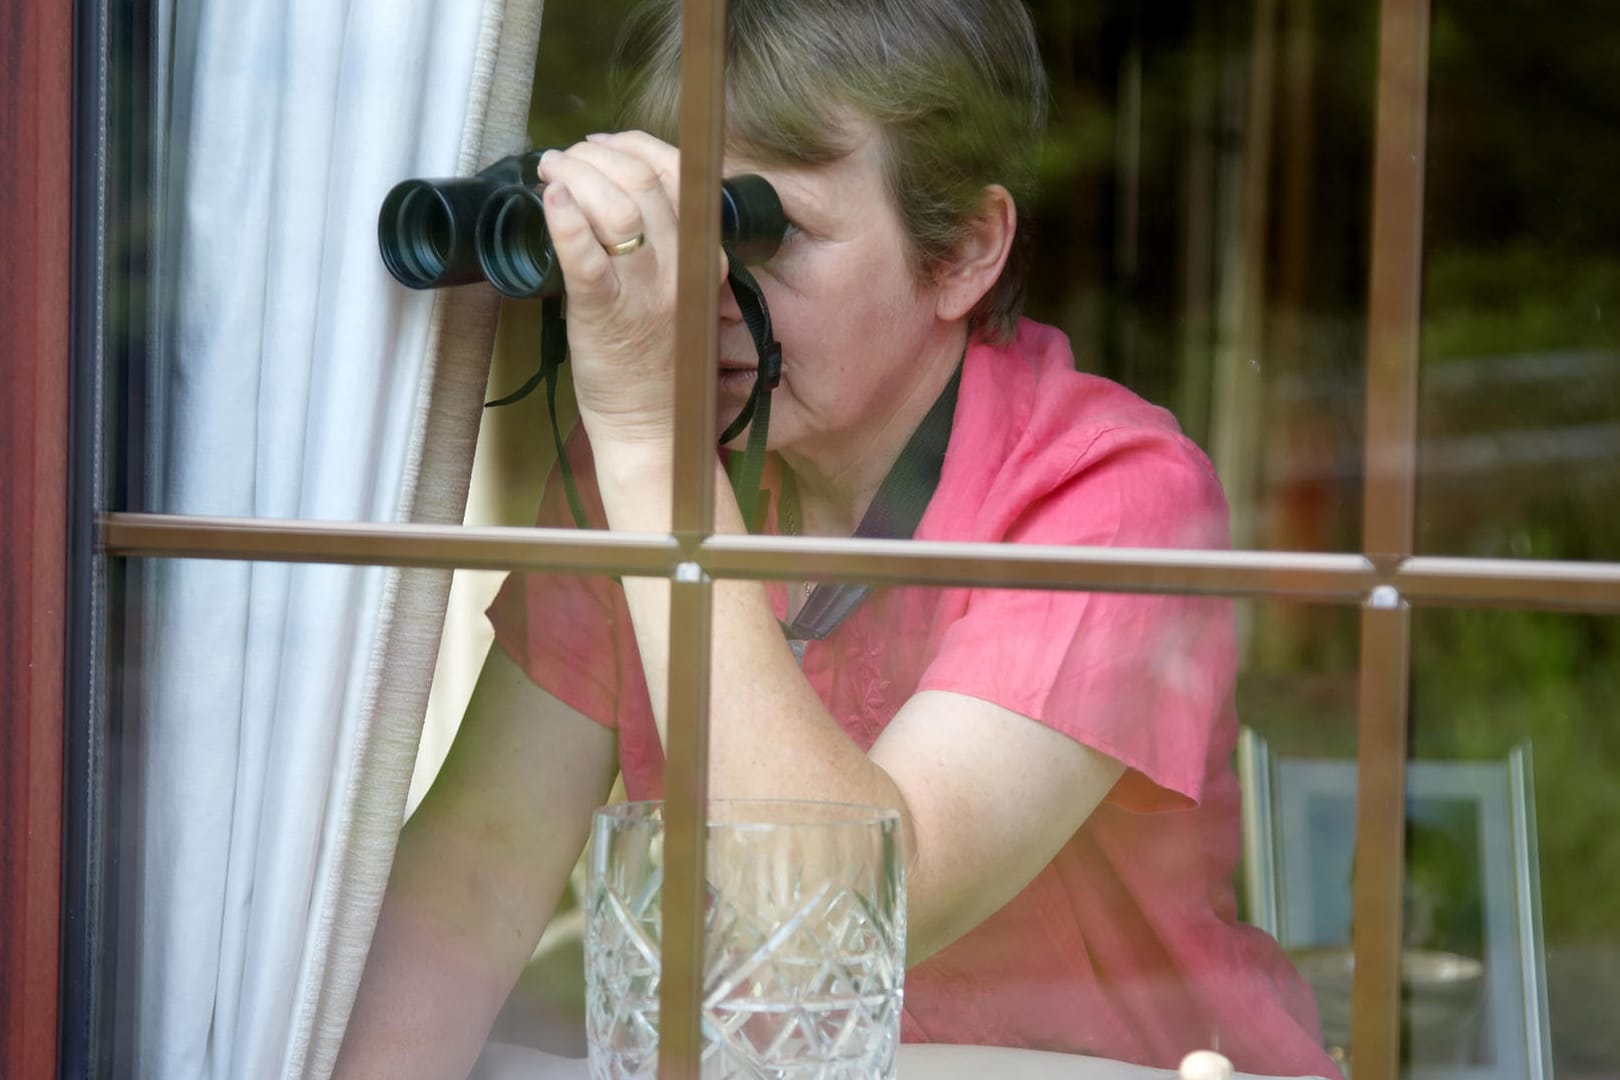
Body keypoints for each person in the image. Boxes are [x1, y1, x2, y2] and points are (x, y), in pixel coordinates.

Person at [336, 1, 1340, 1078]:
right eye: (680, 229)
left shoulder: (1111, 494)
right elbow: (477, 876)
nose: (703, 290)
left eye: (756, 230)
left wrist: (647, 448)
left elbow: (855, 927)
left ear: (961, 250)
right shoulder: (643, 469)